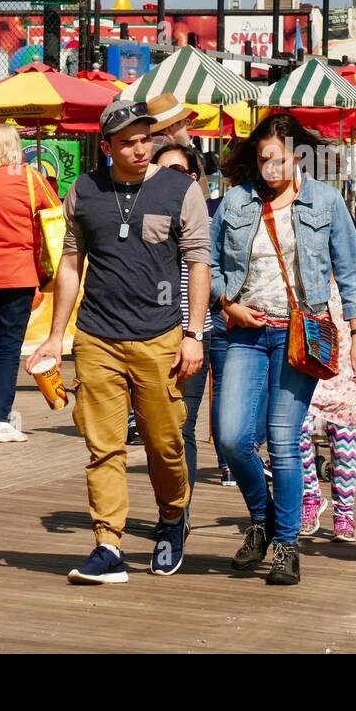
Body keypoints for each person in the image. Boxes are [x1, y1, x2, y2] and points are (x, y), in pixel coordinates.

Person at [28, 100, 208, 585]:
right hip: (97, 338)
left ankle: (172, 517)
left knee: (164, 445)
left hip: (161, 337)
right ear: (106, 146)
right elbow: (70, 264)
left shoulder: (180, 189)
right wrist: (53, 337)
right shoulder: (84, 190)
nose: (140, 148)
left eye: (145, 137)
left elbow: (197, 264)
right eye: (128, 141)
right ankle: (108, 544)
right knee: (102, 447)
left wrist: (194, 334)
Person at [211, 112, 356, 586]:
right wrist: (225, 302)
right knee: (232, 437)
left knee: (282, 439)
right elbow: (208, 260)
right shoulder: (236, 203)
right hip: (245, 332)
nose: (271, 169)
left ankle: (285, 543)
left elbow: (351, 271)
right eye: (263, 160)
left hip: (301, 336)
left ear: (299, 156)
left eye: (279, 160)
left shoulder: (325, 202)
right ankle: (261, 518)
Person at [0, 124, 54, 443]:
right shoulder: (29, 176)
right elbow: (54, 212)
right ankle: (2, 418)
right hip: (19, 272)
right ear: (15, 143)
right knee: (8, 346)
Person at [151, 142, 215, 499]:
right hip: (148, 334)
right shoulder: (146, 217)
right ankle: (168, 502)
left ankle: (179, 511)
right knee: (157, 430)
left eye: (178, 172)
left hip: (193, 335)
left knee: (182, 427)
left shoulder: (206, 219)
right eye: (162, 172)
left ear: (193, 178)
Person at [298, 279, 356, 543]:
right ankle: (310, 497)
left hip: (346, 376)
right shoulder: (300, 281)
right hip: (309, 371)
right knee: (296, 432)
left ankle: (344, 514)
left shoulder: (355, 280)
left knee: (344, 444)